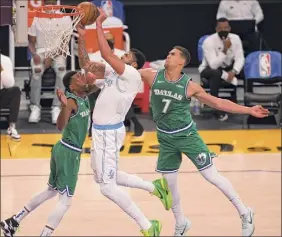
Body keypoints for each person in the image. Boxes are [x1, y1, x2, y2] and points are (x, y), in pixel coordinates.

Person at [139, 46, 269, 236]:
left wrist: (248, 110)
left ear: (182, 61)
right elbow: (123, 71)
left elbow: (218, 103)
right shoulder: (152, 75)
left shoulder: (189, 86)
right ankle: (181, 222)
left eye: (173, 54)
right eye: (168, 53)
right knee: (169, 184)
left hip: (187, 136)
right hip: (165, 138)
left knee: (211, 176)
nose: (168, 55)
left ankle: (244, 211)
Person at [77, 9, 172, 236]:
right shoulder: (113, 72)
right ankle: (154, 187)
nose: (124, 56)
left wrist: (98, 25)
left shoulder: (131, 74)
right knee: (105, 176)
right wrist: (82, 39)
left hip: (110, 134)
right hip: (100, 132)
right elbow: (87, 64)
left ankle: (148, 226)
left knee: (107, 187)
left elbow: (107, 53)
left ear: (135, 64)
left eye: (128, 55)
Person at [0, 71, 98, 237]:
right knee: (65, 201)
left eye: (82, 75)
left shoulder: (83, 93)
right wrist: (65, 106)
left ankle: (13, 221)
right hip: (68, 152)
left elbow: (95, 85)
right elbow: (60, 126)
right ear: (72, 86)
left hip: (63, 149)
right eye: (78, 77)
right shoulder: (72, 101)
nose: (83, 77)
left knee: (51, 191)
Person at [27, 0, 72, 124]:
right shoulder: (36, 17)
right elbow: (31, 42)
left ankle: (57, 107)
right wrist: (34, 54)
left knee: (61, 71)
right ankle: (35, 107)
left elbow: (65, 42)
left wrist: (51, 57)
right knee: (36, 71)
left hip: (58, 52)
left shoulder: (65, 18)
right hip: (40, 51)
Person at [199, 18, 245, 121]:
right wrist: (225, 50)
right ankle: (216, 108)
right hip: (208, 70)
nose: (223, 30)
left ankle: (241, 106)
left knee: (244, 70)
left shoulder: (236, 38)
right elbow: (213, 65)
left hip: (229, 68)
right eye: (220, 28)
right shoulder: (209, 41)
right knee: (215, 74)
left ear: (229, 28)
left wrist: (234, 71)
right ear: (216, 29)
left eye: (225, 28)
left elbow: (240, 58)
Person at [0, 53, 21, 141]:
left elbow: (9, 84)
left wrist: (1, 70)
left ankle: (11, 127)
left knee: (15, 90)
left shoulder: (5, 60)